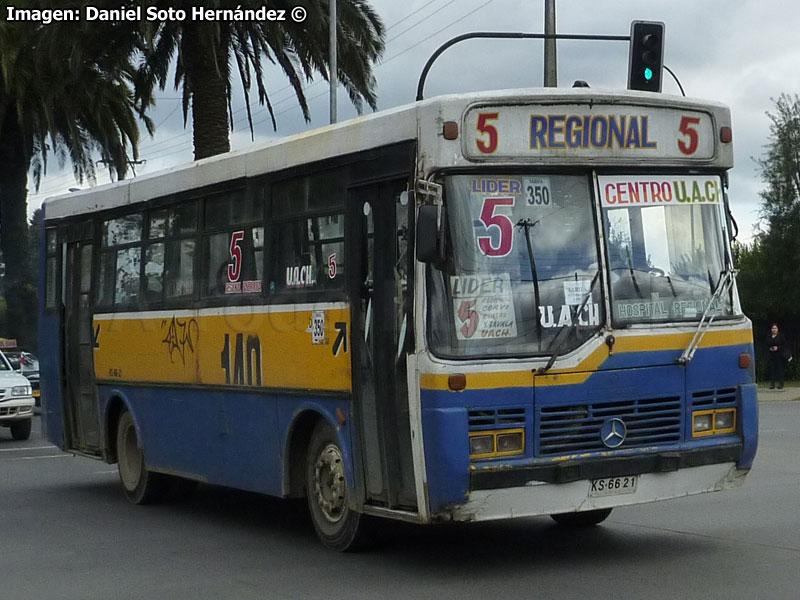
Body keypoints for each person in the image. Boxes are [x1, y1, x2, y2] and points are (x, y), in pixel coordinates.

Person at [767, 323, 787, 389]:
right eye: (773, 328)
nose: (774, 330)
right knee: (772, 370)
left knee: (780, 370)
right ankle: (772, 384)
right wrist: (770, 348)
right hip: (772, 355)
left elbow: (785, 345)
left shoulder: (781, 336)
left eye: (775, 328)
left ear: (777, 329)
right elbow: (766, 344)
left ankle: (781, 384)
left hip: (779, 355)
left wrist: (778, 348)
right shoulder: (769, 336)